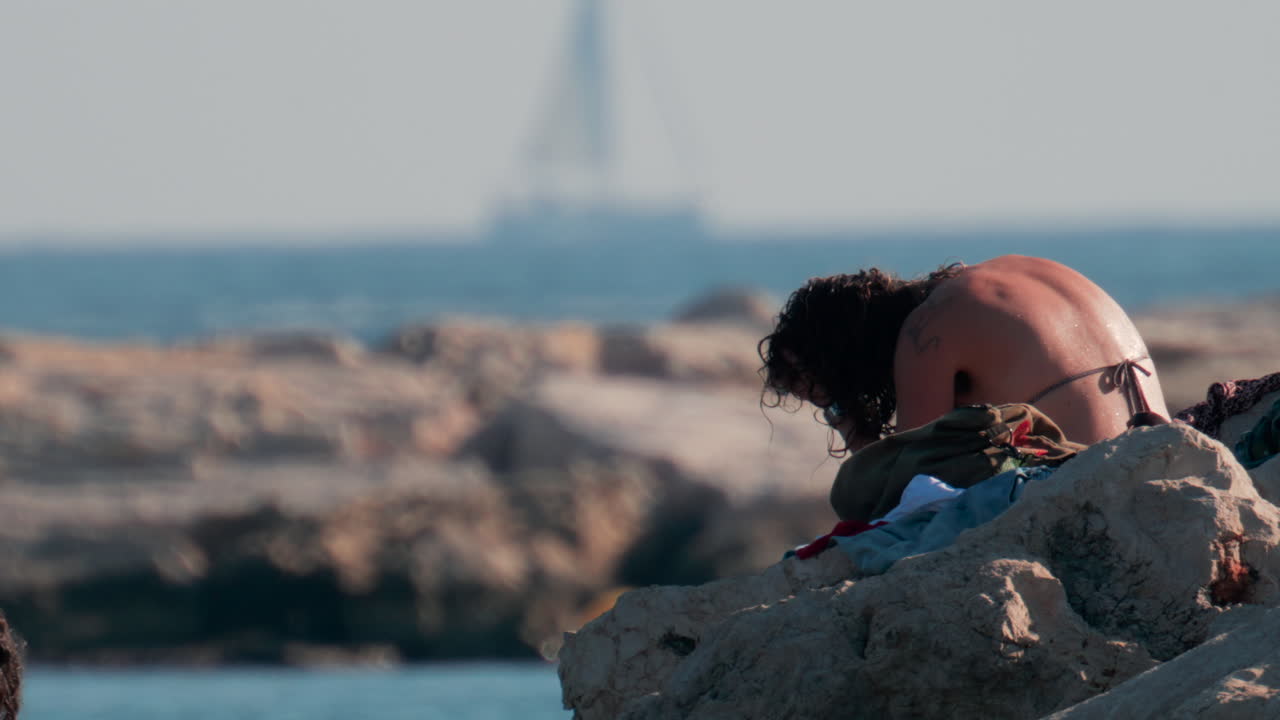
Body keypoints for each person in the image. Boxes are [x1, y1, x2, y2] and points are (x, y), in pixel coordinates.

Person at [759, 255, 1169, 452]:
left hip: (1097, 476)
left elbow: (906, 484)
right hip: (1164, 447)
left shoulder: (926, 331)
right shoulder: (1013, 271)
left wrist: (849, 421)